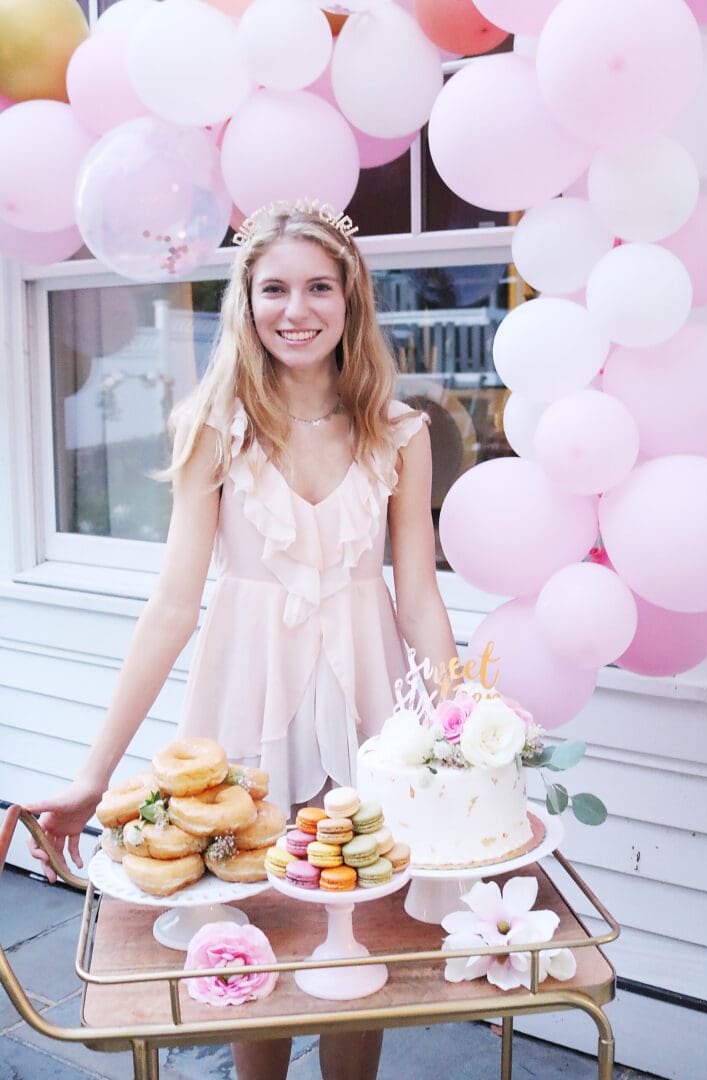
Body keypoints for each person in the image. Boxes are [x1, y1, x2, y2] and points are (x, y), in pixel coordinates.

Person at [27, 202, 459, 1080]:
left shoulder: (401, 433)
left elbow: (418, 598)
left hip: (367, 693)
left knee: (355, 923)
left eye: (317, 287)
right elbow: (172, 608)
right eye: (273, 289)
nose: (295, 310)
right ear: (246, 301)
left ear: (351, 301)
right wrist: (94, 774)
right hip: (245, 694)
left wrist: (460, 731)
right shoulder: (215, 430)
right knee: (249, 925)